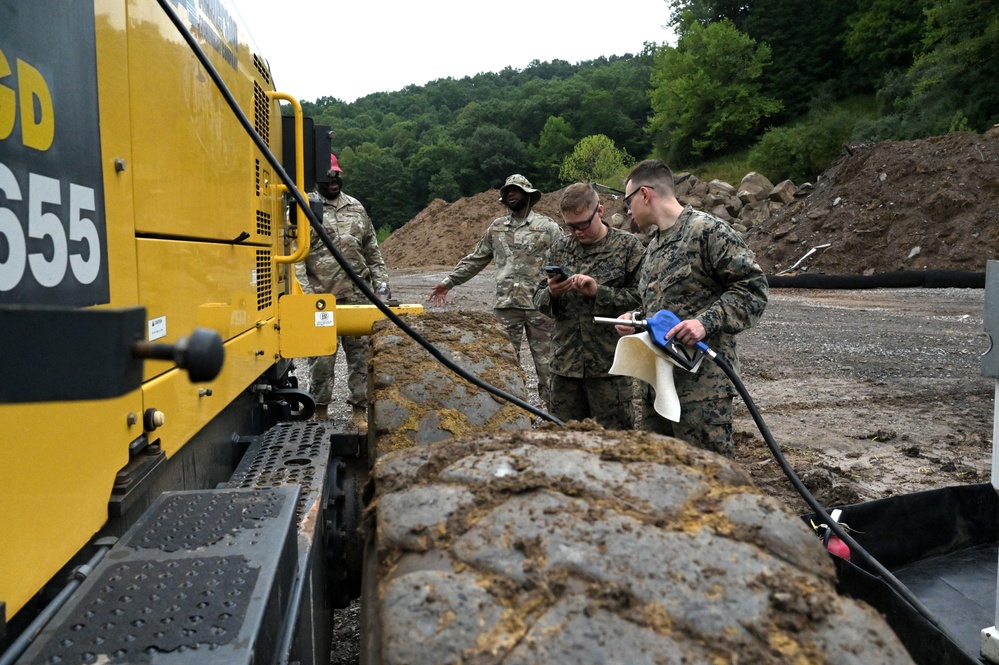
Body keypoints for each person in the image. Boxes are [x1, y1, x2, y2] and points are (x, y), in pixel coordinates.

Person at [616, 159, 768, 456]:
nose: (627, 211)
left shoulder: (707, 231)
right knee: (663, 479)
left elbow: (753, 290)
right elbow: (660, 308)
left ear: (645, 194)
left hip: (701, 392)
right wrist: (635, 320)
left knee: (710, 483)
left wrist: (705, 322)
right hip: (658, 388)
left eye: (627, 201)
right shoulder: (654, 248)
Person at [428, 174, 562, 406]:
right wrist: (448, 282)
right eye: (508, 191)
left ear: (528, 196)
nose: (511, 194)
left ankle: (553, 419)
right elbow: (476, 259)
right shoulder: (497, 228)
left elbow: (565, 260)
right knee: (505, 367)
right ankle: (513, 416)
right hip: (506, 308)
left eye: (516, 190)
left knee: (548, 368)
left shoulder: (548, 228)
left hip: (540, 308)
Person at [533, 183, 645, 429]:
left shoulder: (629, 248)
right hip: (565, 368)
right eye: (569, 226)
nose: (576, 232)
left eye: (582, 224)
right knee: (566, 443)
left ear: (600, 211)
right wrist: (552, 294)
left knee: (614, 444)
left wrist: (598, 293)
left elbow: (645, 299)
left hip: (609, 369)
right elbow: (537, 299)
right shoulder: (560, 249)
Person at [297, 155, 389, 428]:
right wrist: (306, 296)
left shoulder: (356, 209)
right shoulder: (306, 207)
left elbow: (372, 251)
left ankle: (359, 412)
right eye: (328, 176)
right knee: (321, 360)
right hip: (321, 299)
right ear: (318, 178)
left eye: (336, 174)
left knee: (361, 357)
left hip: (357, 297)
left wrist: (382, 284)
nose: (333, 180)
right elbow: (297, 256)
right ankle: (321, 411)